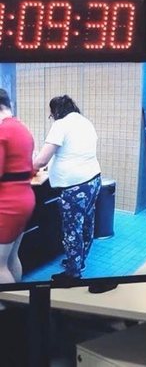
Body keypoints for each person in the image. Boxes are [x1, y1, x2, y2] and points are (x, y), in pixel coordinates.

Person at [33, 95, 101, 283]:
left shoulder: (61, 124)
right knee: (86, 225)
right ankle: (78, 262)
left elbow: (41, 160)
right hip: (93, 181)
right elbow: (71, 152)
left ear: (56, 111)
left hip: (75, 187)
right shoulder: (84, 122)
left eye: (51, 114)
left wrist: (26, 168)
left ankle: (73, 274)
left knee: (72, 229)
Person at [0, 89, 35, 284]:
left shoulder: (2, 131)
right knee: (12, 257)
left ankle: (8, 303)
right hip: (25, 198)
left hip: (8, 203)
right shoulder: (22, 127)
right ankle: (20, 298)